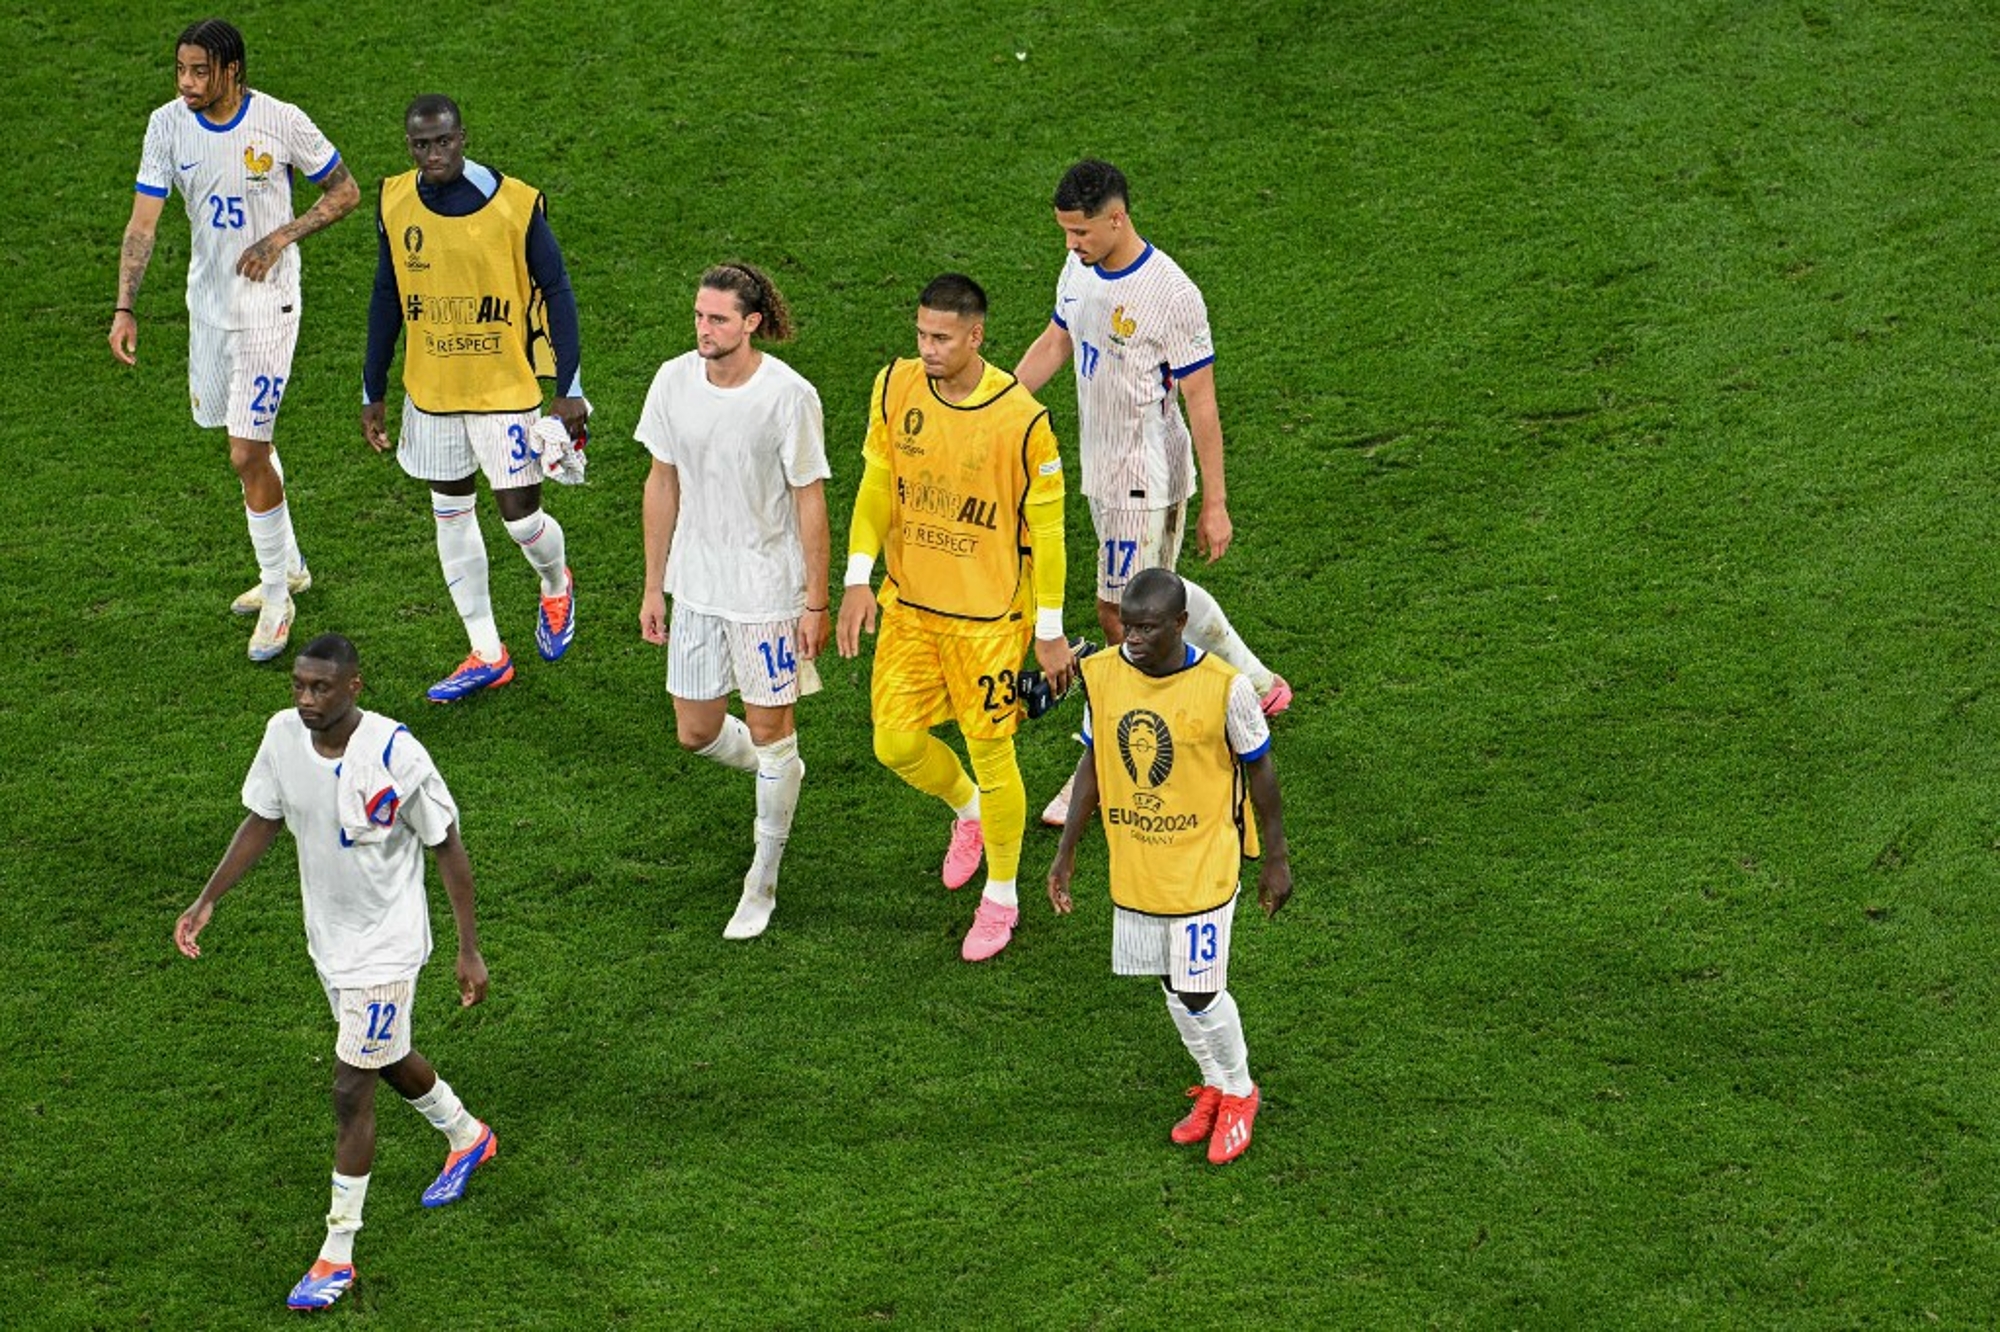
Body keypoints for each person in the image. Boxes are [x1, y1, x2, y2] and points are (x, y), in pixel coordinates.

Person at [173, 633, 496, 1310]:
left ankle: (336, 1255)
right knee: (383, 1056)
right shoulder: (282, 738)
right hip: (330, 943)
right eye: (298, 685)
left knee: (352, 1087)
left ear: (354, 686)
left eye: (320, 687)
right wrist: (208, 899)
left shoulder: (396, 755)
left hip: (388, 947)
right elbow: (262, 820)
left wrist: (468, 949)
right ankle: (467, 1135)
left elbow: (449, 848)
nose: (306, 698)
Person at [1013, 159, 1292, 825]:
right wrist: (996, 407)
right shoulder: (1078, 267)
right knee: (1156, 593)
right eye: (1064, 233)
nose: (1071, 244)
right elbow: (1057, 341)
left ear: (1117, 218)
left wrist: (1216, 503)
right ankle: (1253, 682)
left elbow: (1203, 405)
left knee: (1123, 617)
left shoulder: (1172, 295)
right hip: (1099, 472)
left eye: (1080, 231)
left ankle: (1103, 760)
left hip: (1148, 481)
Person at [837, 274, 1076, 962]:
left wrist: (1050, 627)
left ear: (977, 335)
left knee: (993, 751)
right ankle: (968, 812)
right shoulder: (895, 386)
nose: (928, 348)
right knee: (894, 745)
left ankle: (1002, 896)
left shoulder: (1022, 420)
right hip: (910, 605)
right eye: (921, 334)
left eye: (942, 337)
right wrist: (858, 577)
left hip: (988, 621)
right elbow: (880, 483)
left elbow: (1049, 530)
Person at [109, 18, 360, 662]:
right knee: (249, 444)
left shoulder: (279, 121)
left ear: (232, 71)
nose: (188, 83)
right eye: (180, 71)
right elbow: (143, 223)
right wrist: (125, 305)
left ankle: (278, 598)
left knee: (245, 453)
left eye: (200, 71)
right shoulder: (167, 125)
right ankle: (293, 564)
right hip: (209, 308)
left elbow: (346, 189)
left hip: (269, 308)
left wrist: (282, 236)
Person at [1047, 568, 1292, 1165]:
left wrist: (1277, 860)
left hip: (1205, 864)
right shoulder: (1103, 677)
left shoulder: (1226, 689)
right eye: (1128, 625)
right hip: (1139, 864)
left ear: (1182, 624)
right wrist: (1066, 850)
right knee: (1168, 980)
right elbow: (1095, 765)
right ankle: (1212, 1080)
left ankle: (1239, 1091)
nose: (1132, 638)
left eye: (1148, 627)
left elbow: (1262, 772)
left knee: (1199, 987)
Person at [361, 93, 587, 702]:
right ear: (408, 145)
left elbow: (558, 289)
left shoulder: (515, 204)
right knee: (451, 513)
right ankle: (487, 651)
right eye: (420, 144)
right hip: (432, 392)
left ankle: (554, 584)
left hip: (503, 389)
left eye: (443, 141)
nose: (433, 154)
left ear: (463, 137)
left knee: (522, 520)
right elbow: (387, 293)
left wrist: (569, 388)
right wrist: (371, 385)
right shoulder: (394, 201)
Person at [636, 263, 830, 939]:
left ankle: (762, 878)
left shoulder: (788, 397)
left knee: (773, 733)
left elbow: (810, 499)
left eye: (717, 319)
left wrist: (815, 601)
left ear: (751, 323)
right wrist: (653, 583)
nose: (703, 330)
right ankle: (781, 771)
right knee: (694, 731)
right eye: (698, 316)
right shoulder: (672, 380)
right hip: (695, 585)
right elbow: (662, 481)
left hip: (766, 594)